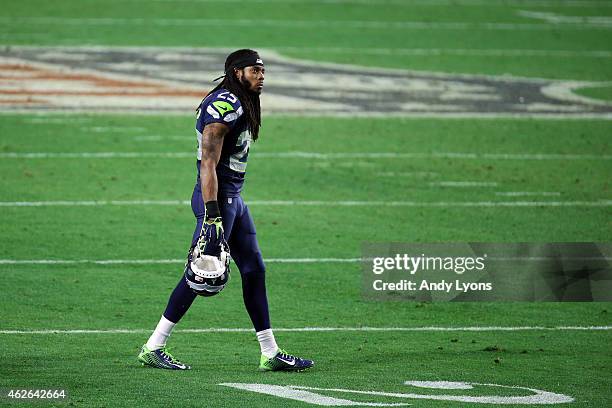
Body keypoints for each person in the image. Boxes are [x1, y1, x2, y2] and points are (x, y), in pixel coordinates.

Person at [137, 49, 314, 372]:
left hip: (234, 197)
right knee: (202, 271)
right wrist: (213, 215)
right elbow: (208, 164)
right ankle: (154, 346)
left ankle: (269, 352)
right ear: (236, 73)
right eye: (255, 71)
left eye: (263, 71)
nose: (261, 76)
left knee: (254, 269)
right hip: (219, 200)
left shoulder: (241, 101)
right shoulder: (224, 106)